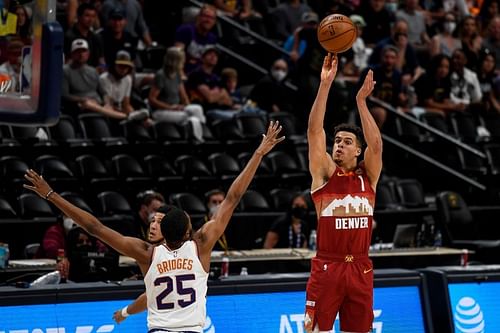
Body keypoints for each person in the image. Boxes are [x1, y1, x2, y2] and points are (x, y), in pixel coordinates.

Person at [24, 121, 284, 333]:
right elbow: (233, 197)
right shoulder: (201, 244)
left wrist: (52, 196)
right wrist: (259, 153)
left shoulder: (147, 254)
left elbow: (94, 227)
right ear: (187, 232)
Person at [304, 54, 382, 333]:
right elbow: (314, 132)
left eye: (347, 142)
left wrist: (361, 101)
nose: (339, 145)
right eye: (337, 141)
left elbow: (376, 145)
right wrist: (325, 85)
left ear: (358, 151)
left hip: (361, 266)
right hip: (328, 266)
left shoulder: (368, 177)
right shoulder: (325, 173)